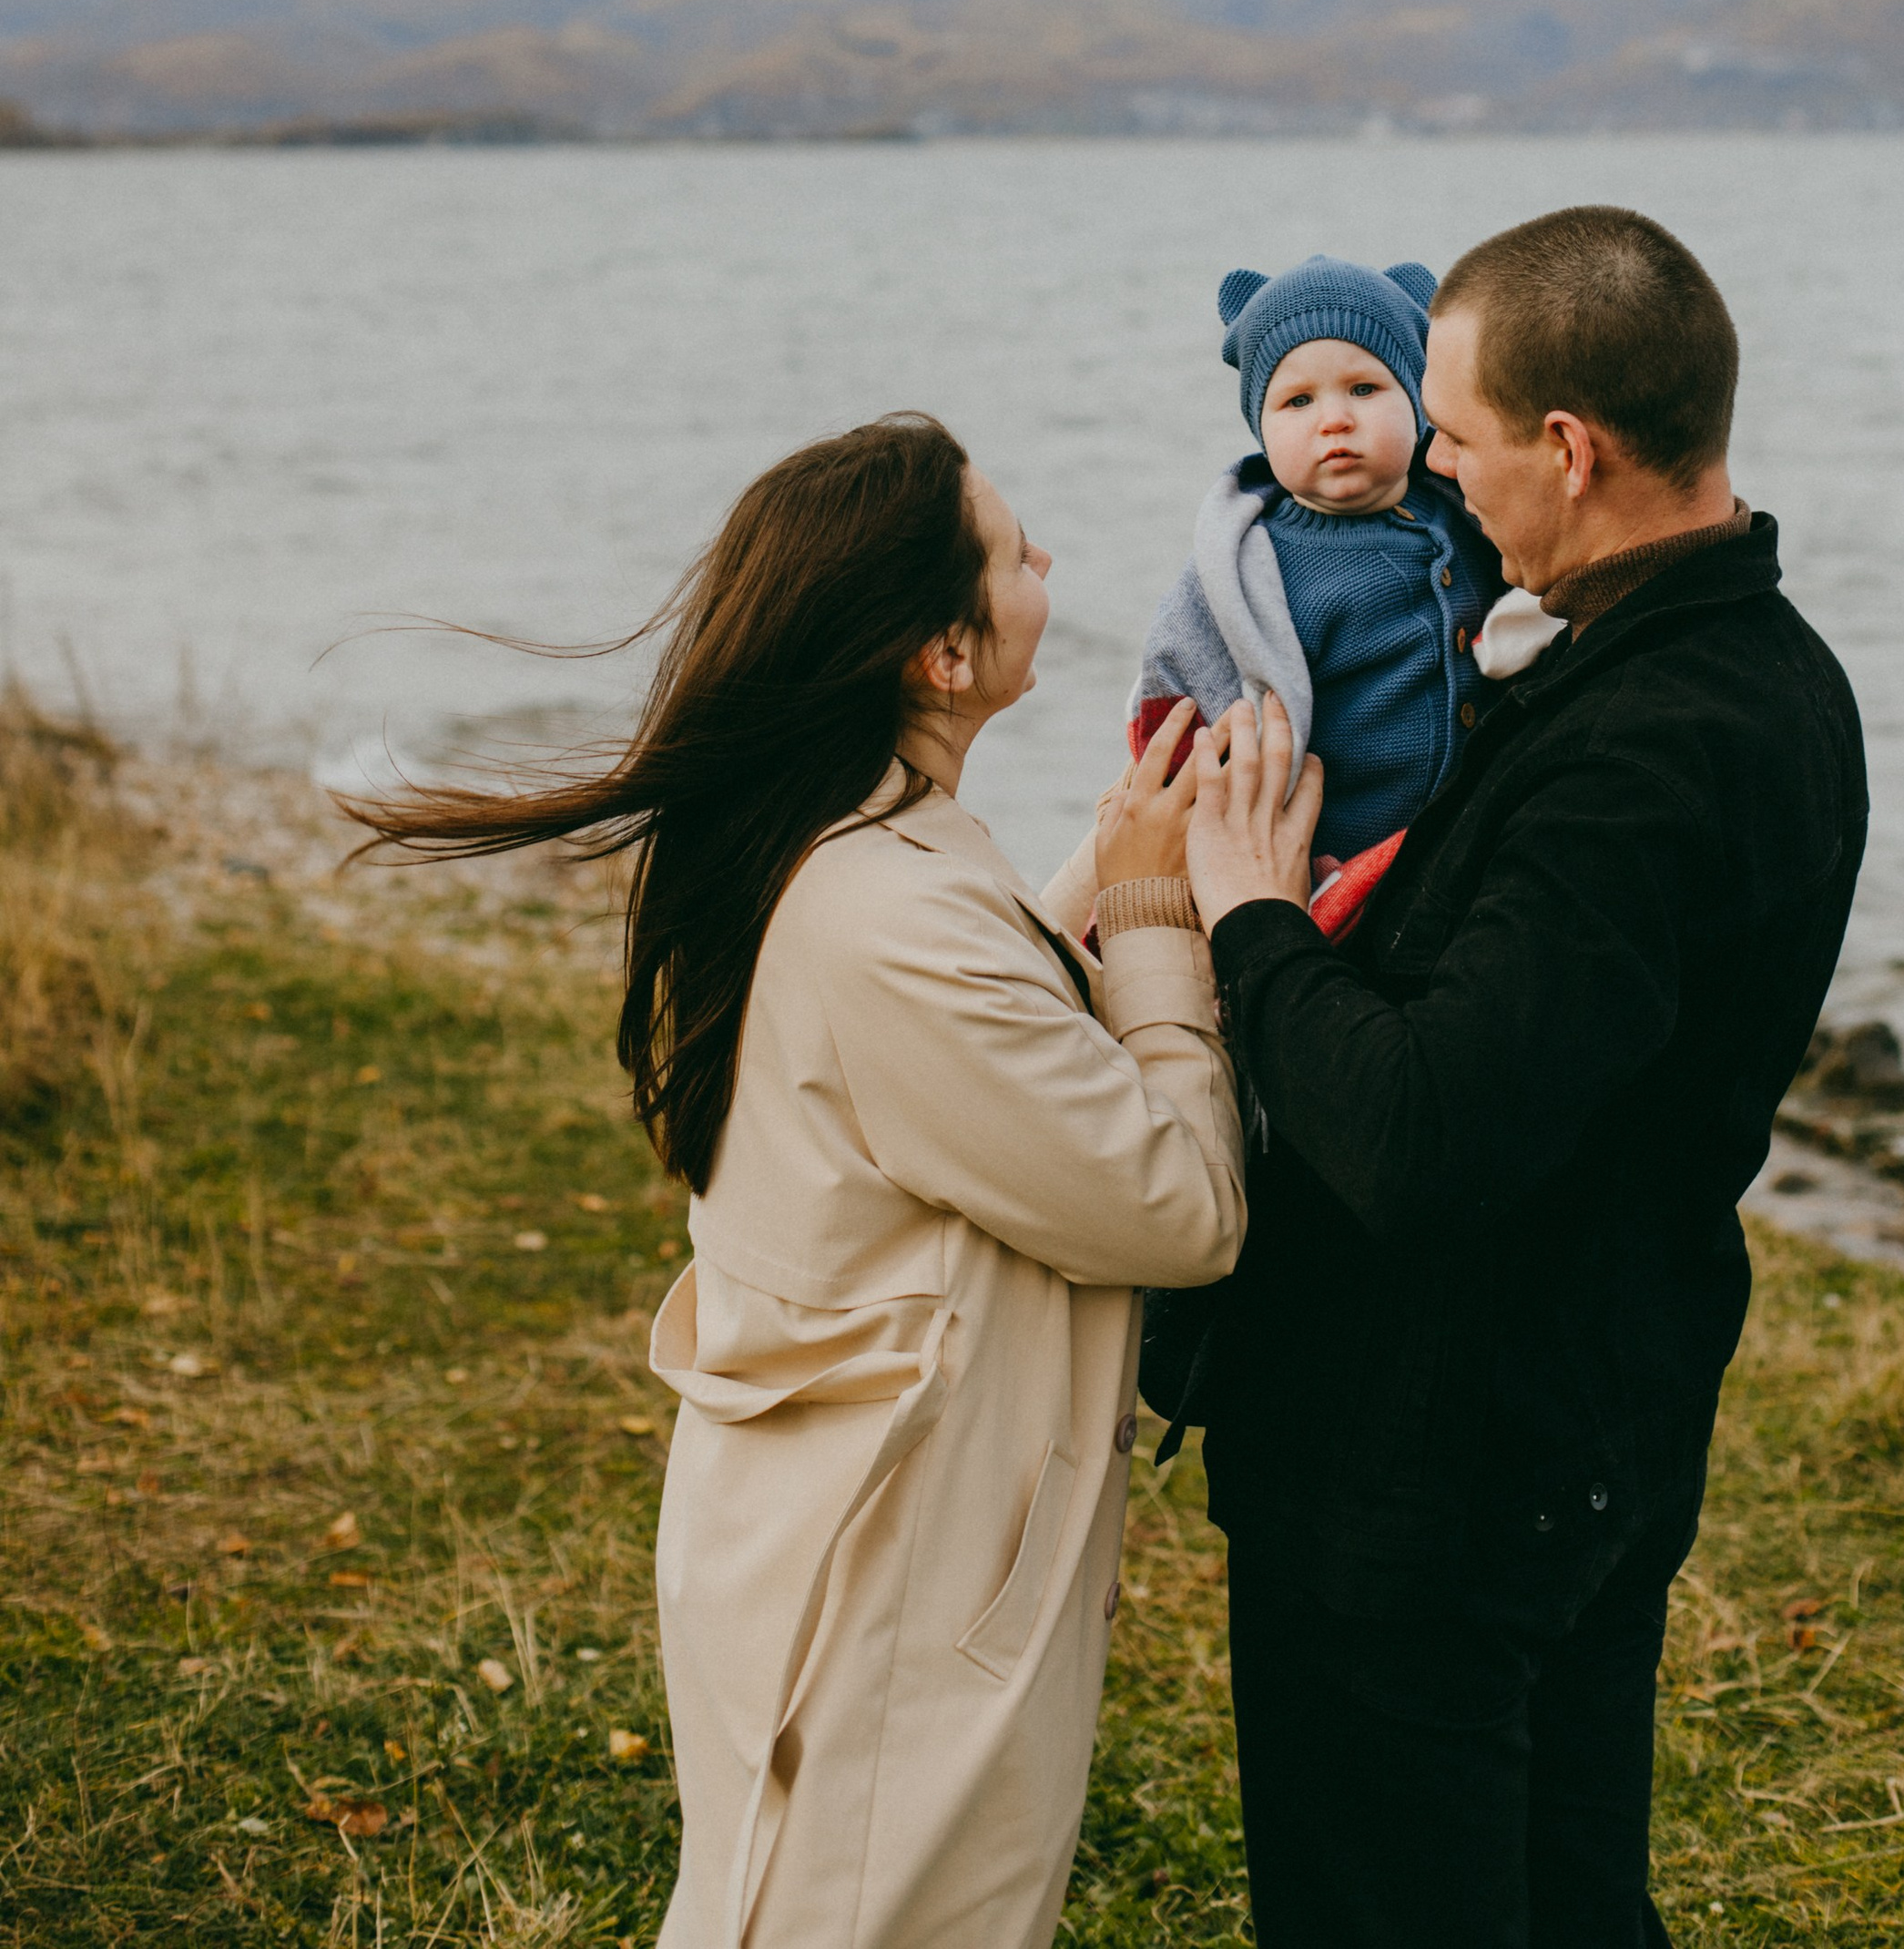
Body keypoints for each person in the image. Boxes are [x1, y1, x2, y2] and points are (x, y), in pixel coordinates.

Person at [343, 412, 1242, 1949]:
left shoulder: (843, 841)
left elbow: (966, 1027)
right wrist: (1158, 922)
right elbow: (1179, 1207)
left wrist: (1093, 870)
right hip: (890, 1578)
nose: (1050, 564)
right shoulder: (883, 913)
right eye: (1016, 553)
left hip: (849, 1529)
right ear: (939, 656)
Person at [1175, 205, 1868, 1949]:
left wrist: (1254, 921)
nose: (1447, 489)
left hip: (1443, 1467)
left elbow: (1417, 1132)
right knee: (1564, 1889)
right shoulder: (1753, 669)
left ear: (1567, 449)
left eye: (1460, 445)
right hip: (1596, 1406)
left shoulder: (1638, 748)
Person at [1050, 255, 1508, 954]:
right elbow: (1187, 693)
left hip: (1475, 841)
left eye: (1364, 388)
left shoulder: (1467, 512)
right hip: (1339, 865)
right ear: (1260, 426)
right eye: (1297, 401)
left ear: (1420, 401)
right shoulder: (1258, 566)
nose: (1334, 420)